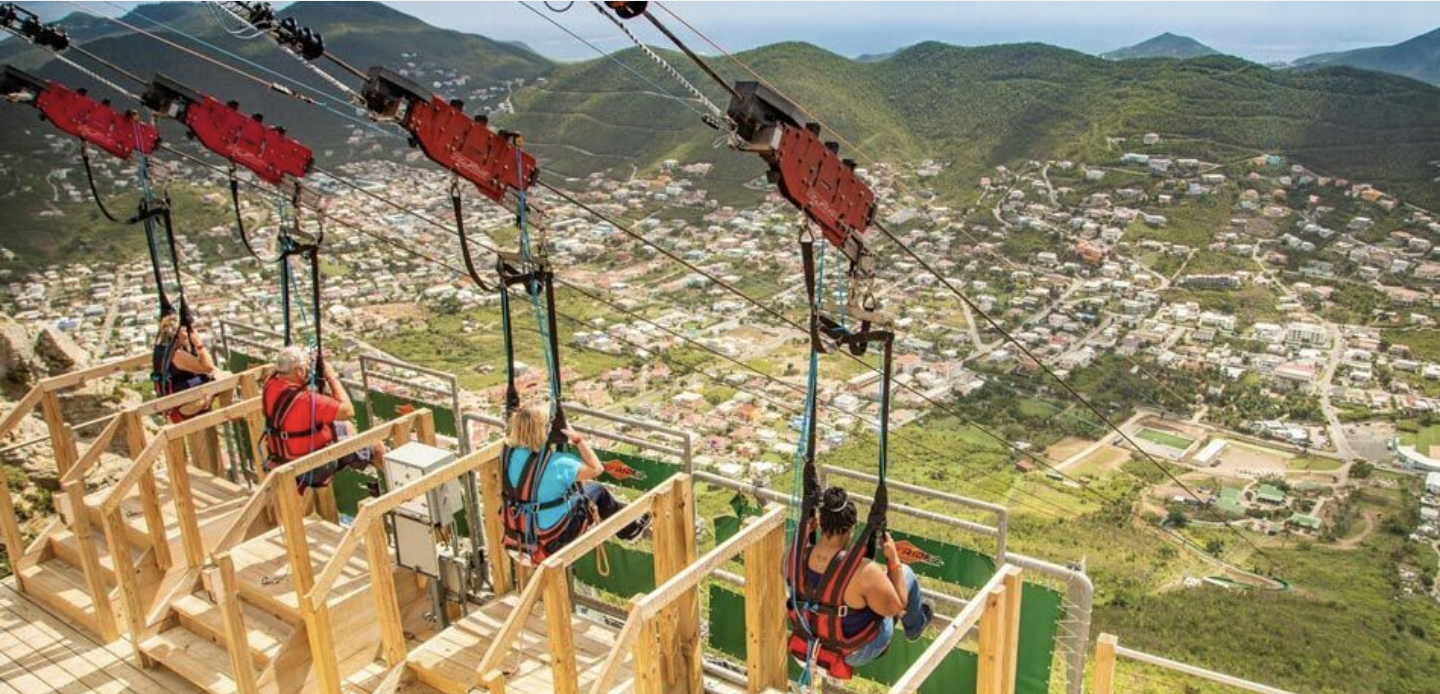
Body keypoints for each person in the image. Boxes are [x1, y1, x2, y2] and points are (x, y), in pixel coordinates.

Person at [791, 487, 933, 667]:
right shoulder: (863, 571)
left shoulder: (793, 555)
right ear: (851, 528)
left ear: (819, 522)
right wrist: (893, 559)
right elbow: (897, 606)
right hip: (852, 652)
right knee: (905, 574)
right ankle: (914, 628)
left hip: (808, 643)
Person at [500, 403, 649, 559]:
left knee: (565, 494)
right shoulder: (560, 464)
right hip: (550, 541)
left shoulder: (509, 456)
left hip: (517, 535)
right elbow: (597, 469)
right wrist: (577, 440)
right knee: (598, 490)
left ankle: (625, 516)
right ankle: (631, 530)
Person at [262, 345, 382, 489]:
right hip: (311, 468)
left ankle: (359, 457)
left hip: (283, 457)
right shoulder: (306, 401)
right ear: (299, 371)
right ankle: (389, 483)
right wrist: (331, 376)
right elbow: (348, 412)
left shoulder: (270, 384)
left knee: (345, 427)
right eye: (306, 368)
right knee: (376, 446)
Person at [152, 313, 217, 423]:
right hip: (185, 406)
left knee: (217, 376)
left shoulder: (165, 350)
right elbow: (208, 367)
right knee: (224, 376)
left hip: (179, 403)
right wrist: (199, 344)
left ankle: (229, 414)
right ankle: (231, 415)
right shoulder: (176, 355)